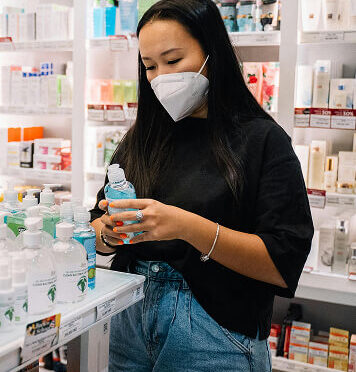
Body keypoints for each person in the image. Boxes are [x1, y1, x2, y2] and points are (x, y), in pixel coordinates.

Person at [89, 0, 313, 371]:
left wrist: (186, 226)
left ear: (213, 52)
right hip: (129, 320)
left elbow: (281, 263)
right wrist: (109, 232)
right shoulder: (140, 139)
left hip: (214, 333)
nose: (161, 76)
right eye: (149, 66)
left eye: (173, 61)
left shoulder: (262, 141)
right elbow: (97, 225)